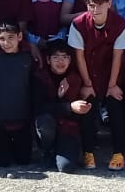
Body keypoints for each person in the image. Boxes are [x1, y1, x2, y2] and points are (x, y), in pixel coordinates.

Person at [68, 0, 125, 171]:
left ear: (109, 3)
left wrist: (112, 85)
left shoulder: (120, 24)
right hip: (88, 73)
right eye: (90, 5)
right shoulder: (78, 24)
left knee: (116, 106)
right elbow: (79, 55)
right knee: (87, 107)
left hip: (111, 74)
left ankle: (119, 152)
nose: (95, 9)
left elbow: (118, 56)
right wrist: (87, 83)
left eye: (99, 4)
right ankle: (88, 152)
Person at [33, 41, 94, 172]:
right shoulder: (40, 77)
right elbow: (39, 108)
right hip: (49, 126)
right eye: (56, 57)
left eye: (65, 57)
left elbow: (78, 114)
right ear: (48, 60)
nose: (61, 61)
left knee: (66, 167)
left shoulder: (75, 78)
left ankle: (65, 151)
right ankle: (46, 152)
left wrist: (79, 106)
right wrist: (68, 105)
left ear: (70, 59)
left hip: (68, 128)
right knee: (45, 121)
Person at [0, 22, 35, 166]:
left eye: (10, 38)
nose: (6, 43)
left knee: (24, 161)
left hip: (22, 117)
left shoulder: (28, 56)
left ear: (20, 36)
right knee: (1, 163)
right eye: (1, 38)